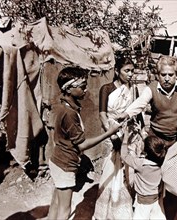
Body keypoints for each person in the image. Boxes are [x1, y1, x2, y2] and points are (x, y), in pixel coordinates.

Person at [47, 67, 122, 220]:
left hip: (57, 160)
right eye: (82, 87)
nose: (86, 90)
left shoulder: (64, 106)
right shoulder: (69, 114)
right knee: (65, 209)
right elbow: (82, 145)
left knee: (56, 202)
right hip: (65, 164)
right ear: (68, 88)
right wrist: (109, 132)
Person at [116, 55, 177, 147]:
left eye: (171, 75)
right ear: (158, 75)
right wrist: (126, 114)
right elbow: (140, 103)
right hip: (156, 138)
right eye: (163, 75)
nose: (167, 79)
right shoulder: (152, 88)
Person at [93, 55, 136, 219]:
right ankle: (105, 210)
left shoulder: (132, 89)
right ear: (117, 71)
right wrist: (111, 134)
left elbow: (134, 111)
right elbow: (102, 114)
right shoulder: (107, 88)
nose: (130, 74)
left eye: (132, 71)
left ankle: (122, 209)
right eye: (127, 71)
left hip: (127, 132)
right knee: (110, 167)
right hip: (110, 131)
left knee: (126, 169)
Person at [120, 120, 166, 220]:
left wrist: (125, 138)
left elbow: (124, 155)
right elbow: (151, 149)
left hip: (143, 201)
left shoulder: (140, 164)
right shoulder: (162, 162)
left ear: (145, 153)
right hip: (156, 197)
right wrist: (141, 133)